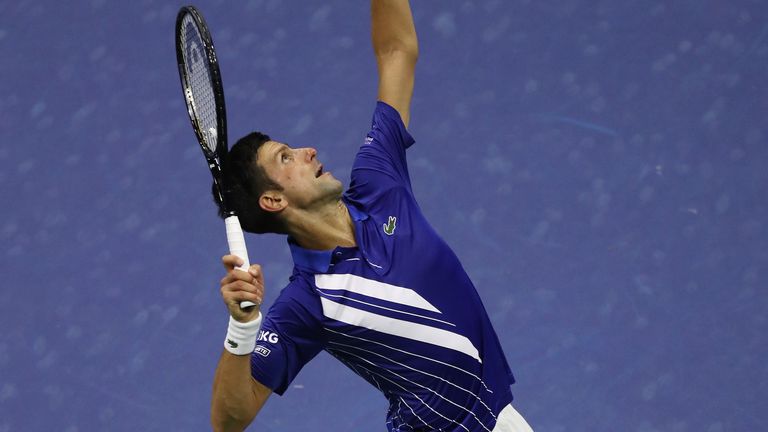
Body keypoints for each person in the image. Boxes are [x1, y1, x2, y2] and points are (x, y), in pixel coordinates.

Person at [210, 1, 534, 431]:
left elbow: (397, 50)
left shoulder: (379, 180)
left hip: (499, 418)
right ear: (273, 201)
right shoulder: (307, 303)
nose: (309, 151)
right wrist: (242, 326)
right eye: (286, 158)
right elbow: (229, 421)